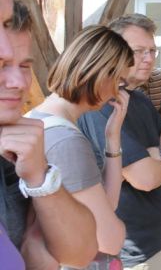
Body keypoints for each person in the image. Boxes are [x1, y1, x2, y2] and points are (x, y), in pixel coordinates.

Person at [79, 13, 161, 270]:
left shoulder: (139, 100)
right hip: (127, 255)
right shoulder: (100, 106)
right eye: (139, 51)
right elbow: (146, 178)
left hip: (159, 244)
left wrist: (157, 154)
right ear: (113, 52)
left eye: (152, 51)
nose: (149, 58)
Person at [0, 0, 98, 270]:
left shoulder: (17, 142)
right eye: (1, 64)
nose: (19, 82)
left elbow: (80, 251)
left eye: (24, 66)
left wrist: (40, 177)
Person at [26, 24, 133, 269]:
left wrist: (112, 137)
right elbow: (109, 240)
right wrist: (118, 228)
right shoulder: (66, 141)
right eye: (120, 82)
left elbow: (107, 203)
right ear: (102, 74)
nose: (118, 92)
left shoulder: (37, 119)